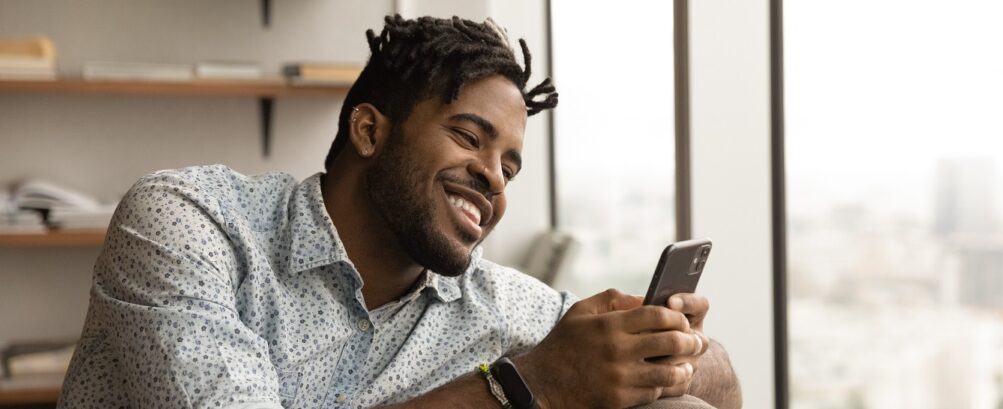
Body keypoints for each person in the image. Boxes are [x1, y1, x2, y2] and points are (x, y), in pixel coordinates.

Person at [58, 15, 741, 409]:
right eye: (470, 137)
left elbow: (726, 383)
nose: (492, 179)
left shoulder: (490, 301)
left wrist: (667, 351)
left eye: (509, 165)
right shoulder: (187, 221)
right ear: (369, 131)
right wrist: (522, 386)